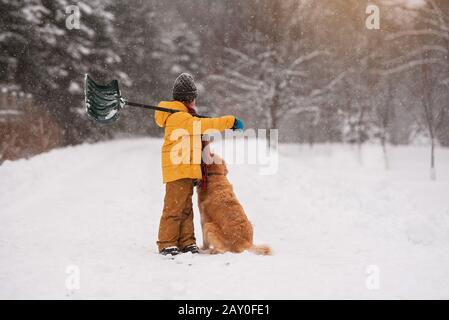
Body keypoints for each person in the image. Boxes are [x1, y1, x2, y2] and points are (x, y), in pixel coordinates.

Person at [154, 73, 244, 256]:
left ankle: (186, 242)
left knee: (186, 209)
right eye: (193, 99)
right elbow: (205, 124)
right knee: (174, 208)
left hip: (186, 169)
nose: (195, 102)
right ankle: (167, 243)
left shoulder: (184, 116)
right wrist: (230, 121)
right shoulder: (180, 118)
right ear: (188, 99)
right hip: (177, 169)